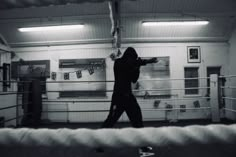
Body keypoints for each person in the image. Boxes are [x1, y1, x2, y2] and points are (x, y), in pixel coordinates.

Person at [100, 47, 158, 154]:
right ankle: (98, 143)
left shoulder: (132, 64)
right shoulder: (118, 63)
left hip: (129, 97)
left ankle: (143, 147)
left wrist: (138, 67)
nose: (133, 61)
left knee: (138, 120)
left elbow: (134, 79)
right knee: (110, 121)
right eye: (132, 59)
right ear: (128, 56)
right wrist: (142, 62)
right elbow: (126, 66)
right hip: (118, 97)